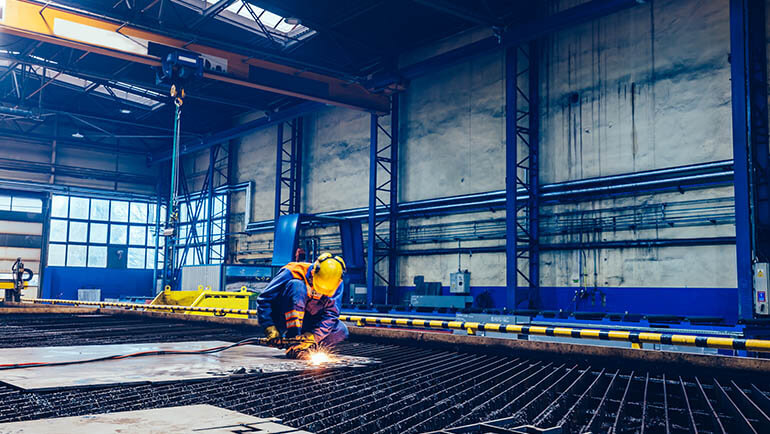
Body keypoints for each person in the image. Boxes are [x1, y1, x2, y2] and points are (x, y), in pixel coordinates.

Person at [257, 252, 348, 359]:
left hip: (308, 321)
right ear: (313, 272)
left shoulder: (336, 282)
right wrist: (270, 327)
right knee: (297, 286)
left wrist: (313, 336)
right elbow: (264, 299)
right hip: (284, 319)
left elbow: (331, 315)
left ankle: (305, 349)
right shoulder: (292, 271)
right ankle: (293, 340)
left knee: (341, 330)